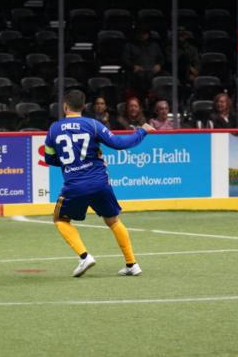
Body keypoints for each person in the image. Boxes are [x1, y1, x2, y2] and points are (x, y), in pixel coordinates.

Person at [44, 90, 155, 277]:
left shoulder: (54, 129)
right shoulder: (93, 125)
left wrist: (70, 163)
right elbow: (119, 143)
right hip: (99, 182)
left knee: (60, 219)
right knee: (113, 221)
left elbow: (49, 158)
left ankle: (84, 256)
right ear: (84, 107)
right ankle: (131, 264)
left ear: (65, 107)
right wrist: (142, 131)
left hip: (75, 185)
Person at [123, 25, 165, 99]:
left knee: (165, 76)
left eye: (144, 33)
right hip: (137, 72)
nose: (142, 35)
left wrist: (159, 65)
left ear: (148, 34)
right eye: (140, 33)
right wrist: (133, 66)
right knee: (140, 77)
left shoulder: (154, 45)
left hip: (153, 71)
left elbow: (161, 58)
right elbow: (125, 59)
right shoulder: (129, 45)